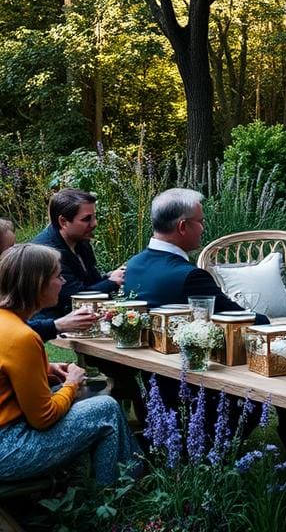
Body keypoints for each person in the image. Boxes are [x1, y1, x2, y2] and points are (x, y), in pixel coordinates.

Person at [0, 243, 140, 486]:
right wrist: (72, 383)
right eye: (57, 275)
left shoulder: (6, 323)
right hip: (9, 449)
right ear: (38, 284)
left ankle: (86, 487)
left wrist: (47, 369)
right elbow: (43, 418)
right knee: (105, 407)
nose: (63, 282)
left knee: (90, 396)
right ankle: (119, 494)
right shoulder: (22, 336)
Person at [123, 188, 268, 323]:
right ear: (183, 227)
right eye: (200, 221)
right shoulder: (190, 276)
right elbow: (238, 319)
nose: (203, 228)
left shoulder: (133, 265)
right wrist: (269, 321)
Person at [29, 190, 124, 341]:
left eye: (94, 217)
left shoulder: (80, 241)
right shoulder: (48, 253)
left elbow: (92, 281)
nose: (94, 224)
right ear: (63, 222)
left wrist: (109, 277)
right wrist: (111, 283)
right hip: (48, 322)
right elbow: (74, 297)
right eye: (86, 219)